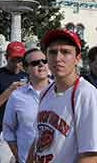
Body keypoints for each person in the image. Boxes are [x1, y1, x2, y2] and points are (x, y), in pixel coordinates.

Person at [26, 29, 97, 163]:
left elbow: (90, 155)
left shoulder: (86, 94)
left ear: (77, 58)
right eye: (52, 52)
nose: (58, 58)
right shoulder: (46, 92)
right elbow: (37, 139)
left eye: (65, 52)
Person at [3, 48, 50, 163]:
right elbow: (8, 130)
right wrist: (18, 156)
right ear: (25, 68)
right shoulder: (16, 96)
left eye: (44, 61)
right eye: (35, 63)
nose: (41, 64)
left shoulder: (61, 92)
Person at [0, 41, 28, 163]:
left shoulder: (28, 76)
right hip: (1, 133)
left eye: (20, 60)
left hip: (23, 133)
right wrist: (10, 89)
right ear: (6, 57)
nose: (17, 64)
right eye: (13, 60)